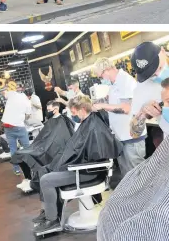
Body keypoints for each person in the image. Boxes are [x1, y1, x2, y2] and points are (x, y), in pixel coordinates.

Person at [97, 74, 169, 241]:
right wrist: (141, 115)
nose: (165, 108)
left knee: (145, 224)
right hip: (166, 162)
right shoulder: (142, 89)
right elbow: (134, 130)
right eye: (163, 103)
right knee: (114, 208)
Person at [32, 95, 123, 235]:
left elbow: (94, 157)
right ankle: (48, 212)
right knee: (44, 170)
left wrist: (69, 162)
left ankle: (53, 221)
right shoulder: (88, 122)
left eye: (73, 112)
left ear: (81, 109)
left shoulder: (94, 127)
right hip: (82, 167)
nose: (72, 115)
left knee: (46, 180)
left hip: (88, 171)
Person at [93, 58, 146, 174]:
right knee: (127, 176)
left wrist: (103, 106)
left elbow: (126, 108)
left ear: (106, 70)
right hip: (121, 137)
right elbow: (111, 101)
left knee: (137, 174)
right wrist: (98, 102)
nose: (101, 79)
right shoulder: (114, 85)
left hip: (132, 137)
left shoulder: (125, 81)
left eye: (101, 76)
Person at [13, 100, 75, 193]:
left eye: (49, 110)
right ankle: (28, 179)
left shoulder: (62, 121)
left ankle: (34, 183)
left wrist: (45, 146)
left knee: (30, 155)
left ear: (56, 109)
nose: (47, 112)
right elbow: (44, 136)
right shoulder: (50, 121)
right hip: (42, 146)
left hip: (51, 149)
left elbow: (59, 139)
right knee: (19, 154)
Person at [130, 42, 169, 139]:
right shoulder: (142, 87)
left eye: (160, 67)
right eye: (152, 75)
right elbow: (134, 133)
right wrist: (143, 114)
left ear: (163, 51)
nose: (158, 74)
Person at [1, 84, 32, 175]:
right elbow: (28, 115)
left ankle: (16, 169)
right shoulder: (27, 101)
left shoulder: (11, 94)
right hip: (19, 126)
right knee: (27, 147)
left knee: (13, 149)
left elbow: (3, 92)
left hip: (7, 126)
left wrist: (6, 87)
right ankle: (31, 165)